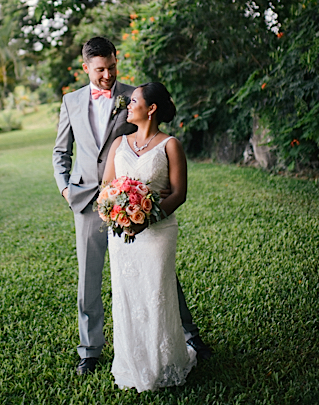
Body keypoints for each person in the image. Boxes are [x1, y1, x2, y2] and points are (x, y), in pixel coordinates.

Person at [52, 37, 211, 376]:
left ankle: (189, 335)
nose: (107, 75)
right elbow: (60, 151)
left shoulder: (133, 96)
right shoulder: (71, 101)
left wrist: (141, 201)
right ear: (86, 69)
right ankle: (90, 350)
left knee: (158, 272)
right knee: (88, 279)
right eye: (100, 70)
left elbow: (149, 138)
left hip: (132, 198)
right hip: (86, 201)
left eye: (112, 67)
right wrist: (65, 188)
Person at [102, 82, 197, 392]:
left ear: (151, 109)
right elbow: (106, 190)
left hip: (157, 234)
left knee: (156, 294)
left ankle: (164, 363)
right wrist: (119, 216)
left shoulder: (170, 145)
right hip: (121, 236)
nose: (128, 106)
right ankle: (132, 362)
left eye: (134, 102)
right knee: (127, 295)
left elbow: (179, 194)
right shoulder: (119, 143)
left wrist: (147, 219)